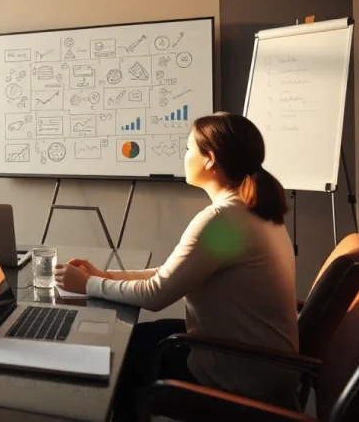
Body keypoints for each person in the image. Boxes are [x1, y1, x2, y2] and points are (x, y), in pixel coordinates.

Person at [54, 112, 298, 420]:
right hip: (261, 365)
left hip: (239, 374)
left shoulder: (222, 221)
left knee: (126, 358)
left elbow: (157, 295)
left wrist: (88, 285)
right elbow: (175, 272)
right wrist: (105, 275)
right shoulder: (251, 213)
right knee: (139, 337)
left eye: (188, 149)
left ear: (209, 159)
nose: (183, 156)